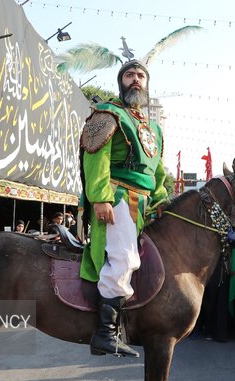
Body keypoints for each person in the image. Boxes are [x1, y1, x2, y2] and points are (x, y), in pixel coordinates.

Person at [79, 59, 168, 357]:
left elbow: (158, 172)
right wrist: (101, 197)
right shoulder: (108, 113)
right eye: (129, 75)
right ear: (121, 81)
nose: (136, 79)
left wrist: (160, 199)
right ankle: (105, 333)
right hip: (117, 197)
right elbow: (95, 159)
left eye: (141, 75)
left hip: (144, 204)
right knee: (123, 259)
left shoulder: (153, 127)